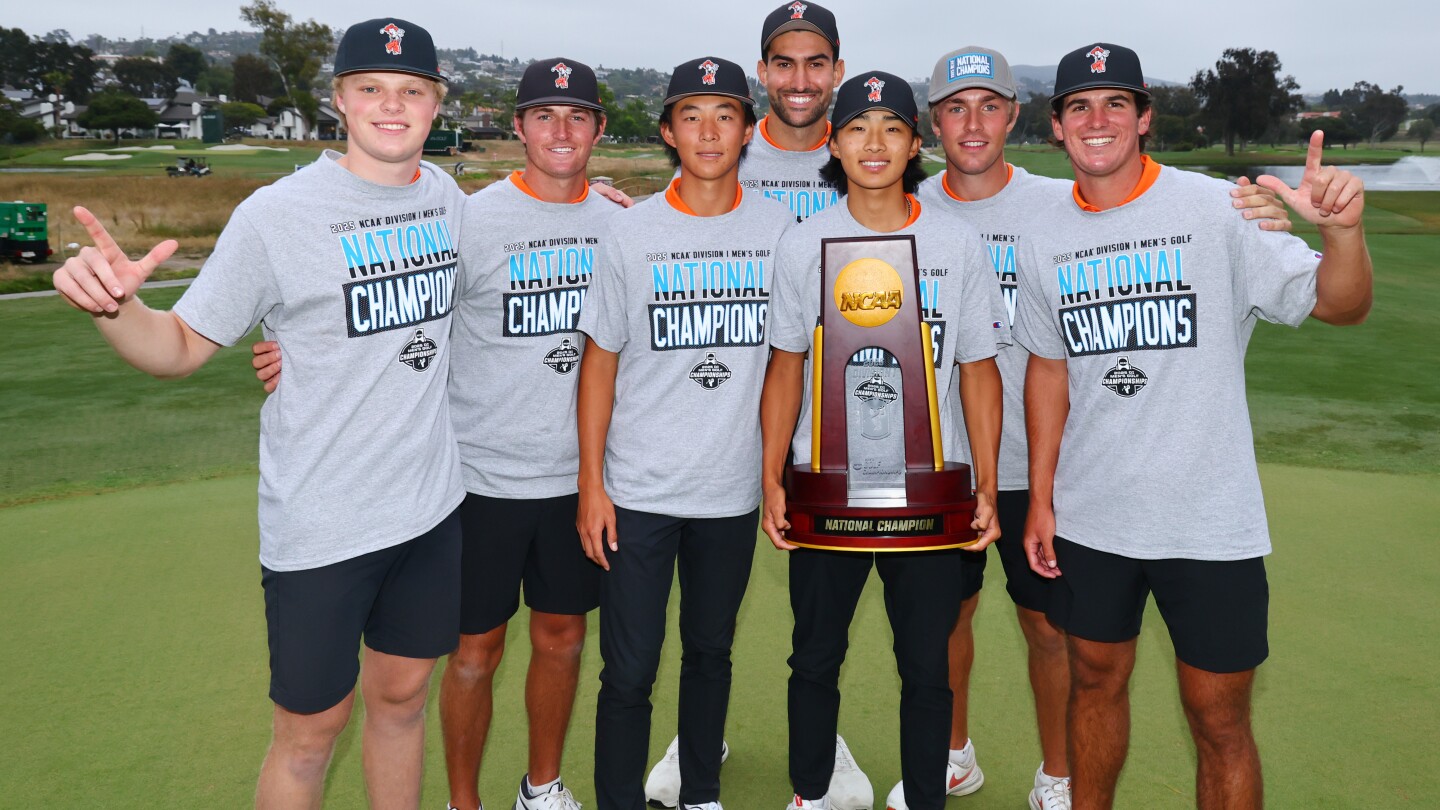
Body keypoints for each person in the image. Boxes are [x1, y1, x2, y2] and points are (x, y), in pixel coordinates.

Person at [53, 18, 466, 809]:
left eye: (412, 90)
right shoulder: (276, 215)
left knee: (403, 698)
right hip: (322, 522)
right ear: (338, 99)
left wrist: (603, 205)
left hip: (429, 509)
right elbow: (178, 346)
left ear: (436, 103)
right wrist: (117, 308)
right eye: (371, 88)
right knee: (310, 734)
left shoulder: (446, 198)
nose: (392, 104)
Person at [889, 46, 1295, 810]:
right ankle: (952, 755)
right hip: (945, 461)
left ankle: (1057, 776)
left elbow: (1137, 213)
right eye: (954, 108)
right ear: (931, 123)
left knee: (1054, 634)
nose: (972, 124)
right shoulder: (903, 211)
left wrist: (1265, 215)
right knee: (946, 620)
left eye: (989, 105)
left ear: (1017, 116)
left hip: (1044, 466)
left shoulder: (1063, 200)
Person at [1014, 42, 1371, 810]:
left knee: (1218, 719)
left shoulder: (1219, 209)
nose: (1098, 119)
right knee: (1093, 684)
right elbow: (1047, 369)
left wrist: (1342, 233)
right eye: (1079, 105)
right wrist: (1040, 498)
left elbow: (1340, 305)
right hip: (1093, 516)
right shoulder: (1043, 235)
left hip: (1209, 520)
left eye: (1116, 103)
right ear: (1058, 125)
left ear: (1144, 118)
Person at [760, 71, 1008, 810]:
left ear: (914, 143)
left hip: (927, 495)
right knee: (814, 657)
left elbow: (979, 369)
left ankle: (927, 795)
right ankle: (810, 793)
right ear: (834, 144)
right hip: (827, 489)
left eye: (892, 128)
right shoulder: (802, 244)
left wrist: (987, 483)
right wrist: (772, 476)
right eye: (858, 128)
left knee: (927, 666)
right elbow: (785, 367)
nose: (875, 143)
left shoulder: (955, 242)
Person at [643, 7, 872, 808]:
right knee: (708, 610)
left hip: (846, 417)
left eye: (816, 63)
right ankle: (698, 734)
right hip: (733, 416)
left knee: (821, 610)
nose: (800, 80)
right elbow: (674, 227)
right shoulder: (732, 143)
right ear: (764, 71)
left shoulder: (867, 146)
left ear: (836, 68)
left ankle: (821, 742)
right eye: (784, 63)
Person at [576, 56, 792, 810]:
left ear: (747, 130)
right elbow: (598, 364)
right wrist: (591, 485)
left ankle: (701, 792)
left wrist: (772, 476)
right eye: (691, 116)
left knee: (709, 653)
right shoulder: (630, 231)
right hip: (638, 491)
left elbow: (786, 365)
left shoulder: (779, 231)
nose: (708, 132)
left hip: (728, 491)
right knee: (629, 670)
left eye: (725, 115)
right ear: (668, 131)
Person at [438, 58, 619, 810]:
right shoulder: (471, 220)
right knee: (474, 651)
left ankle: (540, 787)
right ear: (519, 127)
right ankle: (463, 801)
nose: (561, 130)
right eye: (544, 115)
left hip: (580, 480)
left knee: (563, 639)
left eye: (577, 116)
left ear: (599, 128)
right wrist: (295, 352)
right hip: (481, 478)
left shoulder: (622, 223)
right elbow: (406, 325)